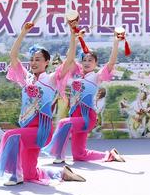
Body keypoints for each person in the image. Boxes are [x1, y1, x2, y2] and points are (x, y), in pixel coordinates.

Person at [0, 20, 85, 186]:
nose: (33, 62)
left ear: (47, 62)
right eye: (32, 59)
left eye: (38, 59)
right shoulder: (26, 78)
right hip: (27, 128)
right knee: (30, 174)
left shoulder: (50, 79)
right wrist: (23, 32)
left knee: (10, 135)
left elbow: (69, 60)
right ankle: (62, 173)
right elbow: (13, 56)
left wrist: (73, 36)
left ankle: (14, 175)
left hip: (42, 130)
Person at [42, 34, 125, 164]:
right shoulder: (78, 77)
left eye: (90, 60)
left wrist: (115, 44)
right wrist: (75, 40)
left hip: (86, 118)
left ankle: (58, 154)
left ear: (96, 63)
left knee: (64, 123)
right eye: (84, 60)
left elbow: (111, 63)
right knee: (79, 154)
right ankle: (109, 155)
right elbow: (70, 58)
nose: (86, 63)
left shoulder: (96, 77)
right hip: (75, 117)